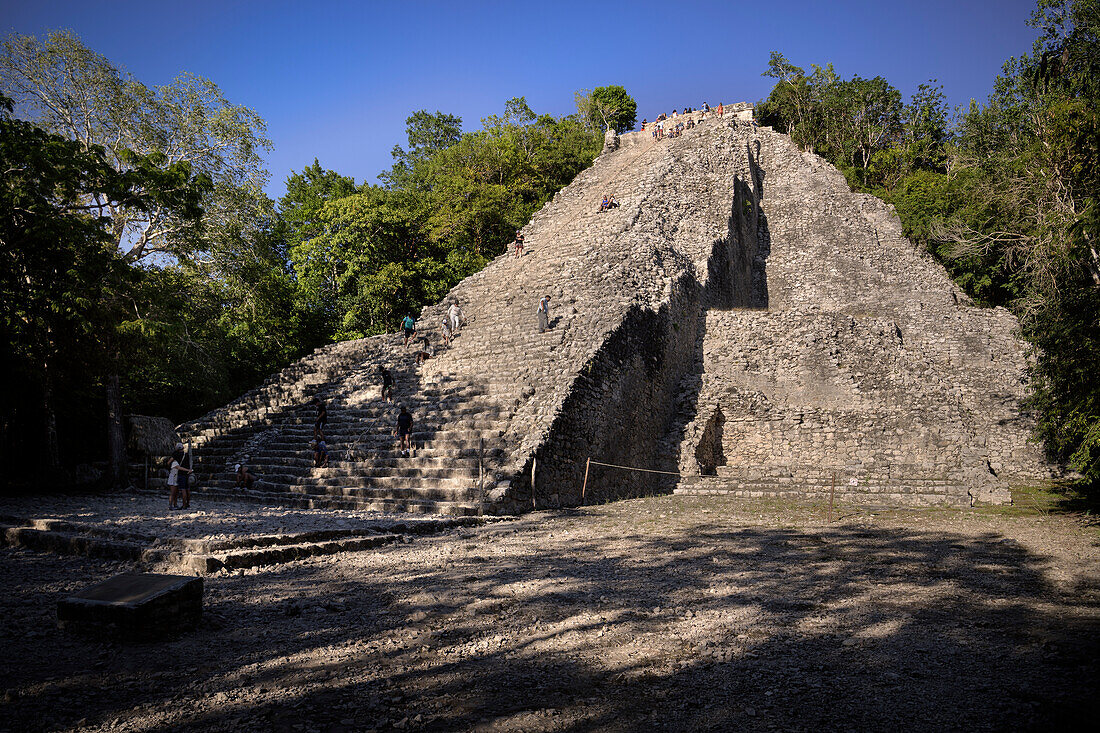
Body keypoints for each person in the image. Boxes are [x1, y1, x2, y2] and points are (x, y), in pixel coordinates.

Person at [167, 443, 193, 510]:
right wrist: (189, 470)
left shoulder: (176, 456)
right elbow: (179, 467)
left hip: (179, 475)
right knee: (182, 490)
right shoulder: (186, 455)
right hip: (179, 475)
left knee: (177, 492)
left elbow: (169, 463)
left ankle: (176, 505)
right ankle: (185, 504)